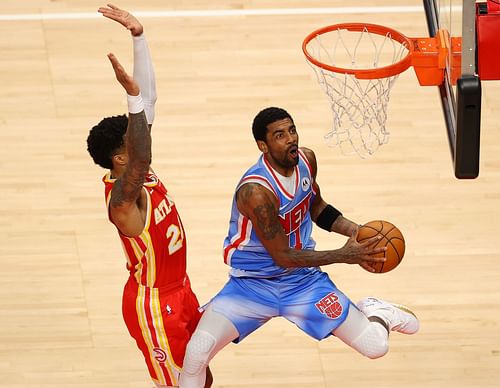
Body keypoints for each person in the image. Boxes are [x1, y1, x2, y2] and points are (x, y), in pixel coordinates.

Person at [179, 107, 419, 387]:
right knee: (196, 353)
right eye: (279, 135)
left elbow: (317, 207)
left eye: (291, 130)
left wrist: (357, 232)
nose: (290, 139)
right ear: (263, 146)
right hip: (251, 286)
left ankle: (379, 311)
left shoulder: (306, 160)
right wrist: (345, 255)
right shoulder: (256, 192)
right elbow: (283, 256)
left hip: (302, 283)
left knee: (376, 347)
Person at [86, 5, 212, 387]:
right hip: (155, 306)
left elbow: (149, 105)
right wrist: (132, 97)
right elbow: (144, 140)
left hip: (181, 290)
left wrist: (138, 37)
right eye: (133, 135)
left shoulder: (138, 169)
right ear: (121, 157)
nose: (142, 133)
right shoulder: (122, 200)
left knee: (201, 381)